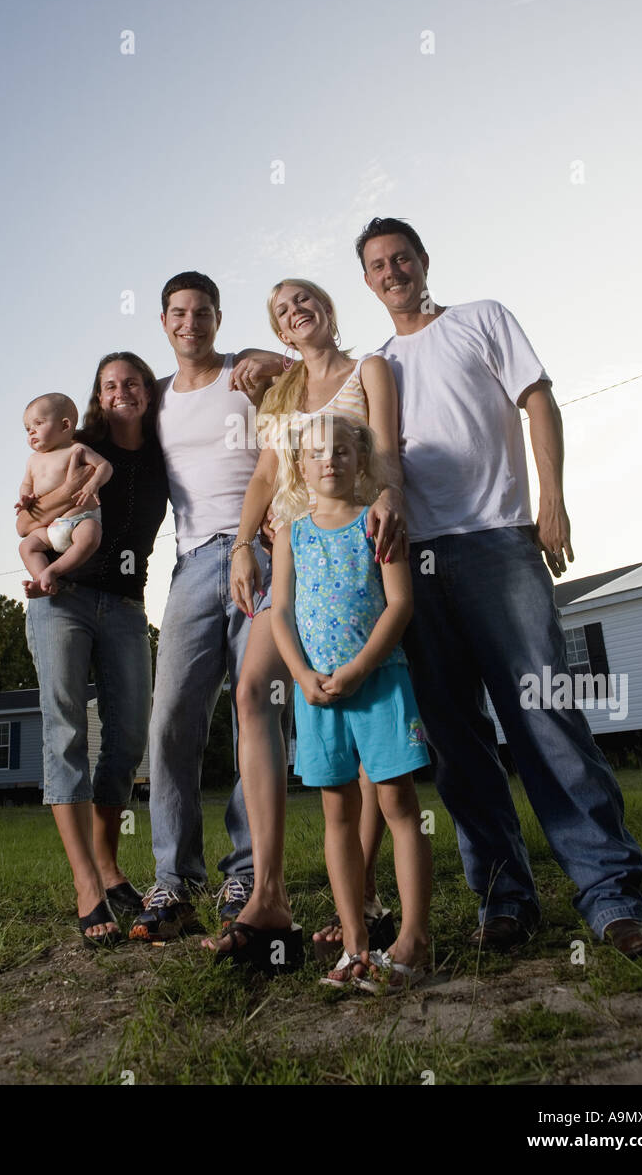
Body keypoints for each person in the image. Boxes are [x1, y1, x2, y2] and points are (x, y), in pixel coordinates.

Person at [357, 216, 642, 959]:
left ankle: (612, 898)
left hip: (498, 540)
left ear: (424, 262)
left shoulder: (481, 319)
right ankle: (504, 900)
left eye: (402, 258)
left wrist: (550, 499)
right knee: (458, 743)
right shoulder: (377, 366)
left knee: (547, 718)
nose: (392, 271)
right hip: (416, 563)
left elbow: (538, 401)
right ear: (367, 282)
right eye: (377, 265)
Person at [203, 279, 406, 964]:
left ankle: (370, 895)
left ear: (327, 309)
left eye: (304, 298)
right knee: (252, 689)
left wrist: (390, 509)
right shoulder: (282, 393)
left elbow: (388, 456)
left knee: (366, 701)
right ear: (281, 332)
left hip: (357, 549)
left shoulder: (369, 368)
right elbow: (265, 477)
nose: (295, 310)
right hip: (292, 553)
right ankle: (268, 895)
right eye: (282, 309)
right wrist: (240, 546)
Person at [129, 271, 286, 944]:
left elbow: (315, 377)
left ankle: (245, 873)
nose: (189, 323)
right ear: (164, 323)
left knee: (258, 709)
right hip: (193, 564)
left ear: (217, 319)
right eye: (178, 313)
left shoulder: (245, 375)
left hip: (262, 551)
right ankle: (175, 879)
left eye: (202, 313)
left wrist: (273, 360)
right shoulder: (155, 400)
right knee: (170, 718)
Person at [270, 415, 432, 988]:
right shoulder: (290, 533)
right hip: (317, 695)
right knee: (337, 813)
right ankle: (355, 946)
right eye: (316, 453)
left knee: (398, 806)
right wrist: (301, 674)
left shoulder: (378, 523)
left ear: (360, 460)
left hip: (380, 682)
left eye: (342, 451)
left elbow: (400, 604)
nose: (329, 461)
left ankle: (413, 940)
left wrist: (361, 667)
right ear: (300, 465)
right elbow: (281, 614)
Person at [17, 353, 168, 947]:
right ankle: (87, 885)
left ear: (149, 392)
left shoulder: (163, 450)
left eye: (133, 382)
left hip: (128, 605)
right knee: (66, 732)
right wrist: (73, 496)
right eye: (110, 385)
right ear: (97, 397)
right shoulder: (73, 444)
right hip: (64, 596)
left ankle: (110, 866)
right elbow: (25, 520)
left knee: (129, 734)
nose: (122, 392)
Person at [17, 392, 113, 597]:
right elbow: (26, 484)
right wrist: (25, 498)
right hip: (49, 527)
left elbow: (105, 466)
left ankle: (53, 571)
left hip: (79, 520)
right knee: (27, 547)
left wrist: (93, 484)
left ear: (65, 425)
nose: (31, 432)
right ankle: (42, 580)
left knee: (90, 537)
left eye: (38, 424)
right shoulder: (33, 460)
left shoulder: (76, 449)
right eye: (27, 429)